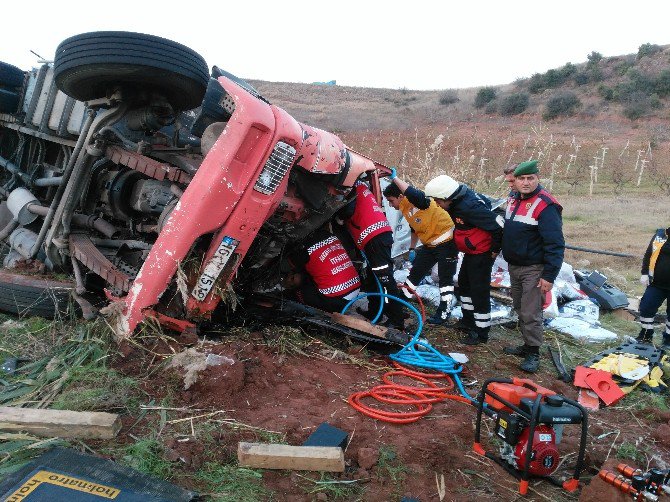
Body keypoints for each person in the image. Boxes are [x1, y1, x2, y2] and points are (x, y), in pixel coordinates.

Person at [423, 174, 504, 345]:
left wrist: (495, 250)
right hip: (472, 252)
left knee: (478, 290)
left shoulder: (469, 207)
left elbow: (498, 224)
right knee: (464, 285)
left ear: (447, 197)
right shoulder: (458, 201)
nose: (437, 204)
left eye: (438, 200)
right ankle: (468, 321)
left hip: (482, 253)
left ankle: (481, 332)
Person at [501, 160, 564, 373]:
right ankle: (527, 344)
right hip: (515, 265)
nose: (526, 183)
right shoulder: (512, 198)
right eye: (521, 179)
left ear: (538, 178)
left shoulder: (546, 205)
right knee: (519, 306)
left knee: (531, 312)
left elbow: (555, 244)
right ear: (515, 181)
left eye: (530, 178)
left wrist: (549, 275)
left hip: (534, 268)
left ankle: (533, 353)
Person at [383, 170, 458, 325]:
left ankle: (443, 314)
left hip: (447, 243)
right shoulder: (405, 208)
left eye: (391, 201)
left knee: (445, 280)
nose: (390, 204)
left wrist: (395, 178)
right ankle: (401, 303)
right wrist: (411, 249)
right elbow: (414, 228)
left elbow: (413, 192)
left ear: (401, 196)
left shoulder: (418, 200)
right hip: (430, 245)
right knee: (415, 273)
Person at [339, 179, 407, 329]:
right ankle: (375, 311)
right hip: (378, 236)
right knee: (372, 278)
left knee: (384, 280)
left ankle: (397, 320)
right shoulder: (362, 187)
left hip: (374, 239)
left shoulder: (351, 189)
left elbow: (347, 211)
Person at [284, 229, 361, 313]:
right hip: (355, 287)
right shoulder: (328, 234)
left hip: (337, 300)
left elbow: (292, 268)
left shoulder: (303, 251)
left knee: (298, 293)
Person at [637, 226, 670, 348]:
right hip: (656, 283)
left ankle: (668, 340)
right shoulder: (660, 235)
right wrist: (644, 273)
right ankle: (646, 335)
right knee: (646, 307)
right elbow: (648, 255)